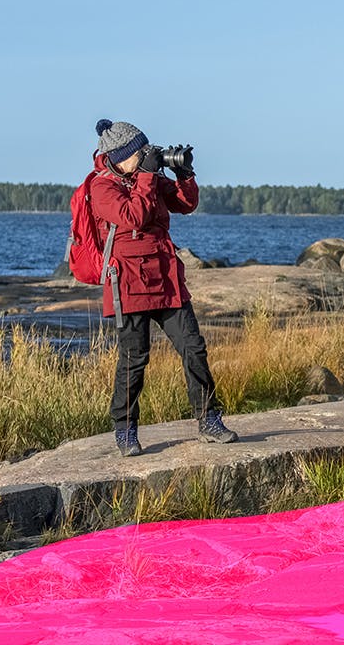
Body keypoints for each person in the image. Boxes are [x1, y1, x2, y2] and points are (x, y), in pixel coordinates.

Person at [90, 118, 237, 456]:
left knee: (193, 347)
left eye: (146, 150)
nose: (145, 156)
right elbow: (134, 217)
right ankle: (125, 429)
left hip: (165, 277)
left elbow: (185, 205)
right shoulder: (102, 188)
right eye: (138, 152)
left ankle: (208, 419)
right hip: (127, 282)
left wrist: (185, 174)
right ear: (119, 156)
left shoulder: (149, 178)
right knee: (134, 358)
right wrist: (146, 175)